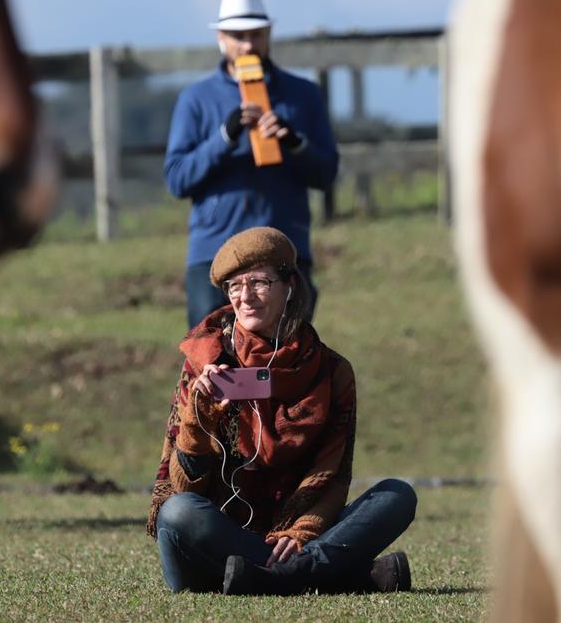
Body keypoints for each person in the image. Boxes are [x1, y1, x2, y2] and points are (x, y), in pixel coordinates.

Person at [146, 226, 416, 595]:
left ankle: (274, 577)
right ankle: (334, 576)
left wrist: (301, 532)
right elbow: (180, 489)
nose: (245, 297)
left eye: (258, 282)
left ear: (289, 285)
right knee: (178, 514)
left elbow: (334, 477)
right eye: (234, 286)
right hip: (212, 544)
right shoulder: (203, 364)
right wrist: (198, 422)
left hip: (293, 536)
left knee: (396, 496)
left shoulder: (331, 372)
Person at [164, 0, 339, 329]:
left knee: (287, 360)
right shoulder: (196, 99)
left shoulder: (302, 95)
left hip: (284, 247)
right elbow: (177, 179)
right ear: (221, 39)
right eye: (237, 36)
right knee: (212, 362)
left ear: (268, 35)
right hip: (214, 251)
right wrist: (224, 138)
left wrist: (293, 142)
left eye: (255, 35)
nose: (247, 45)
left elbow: (327, 172)